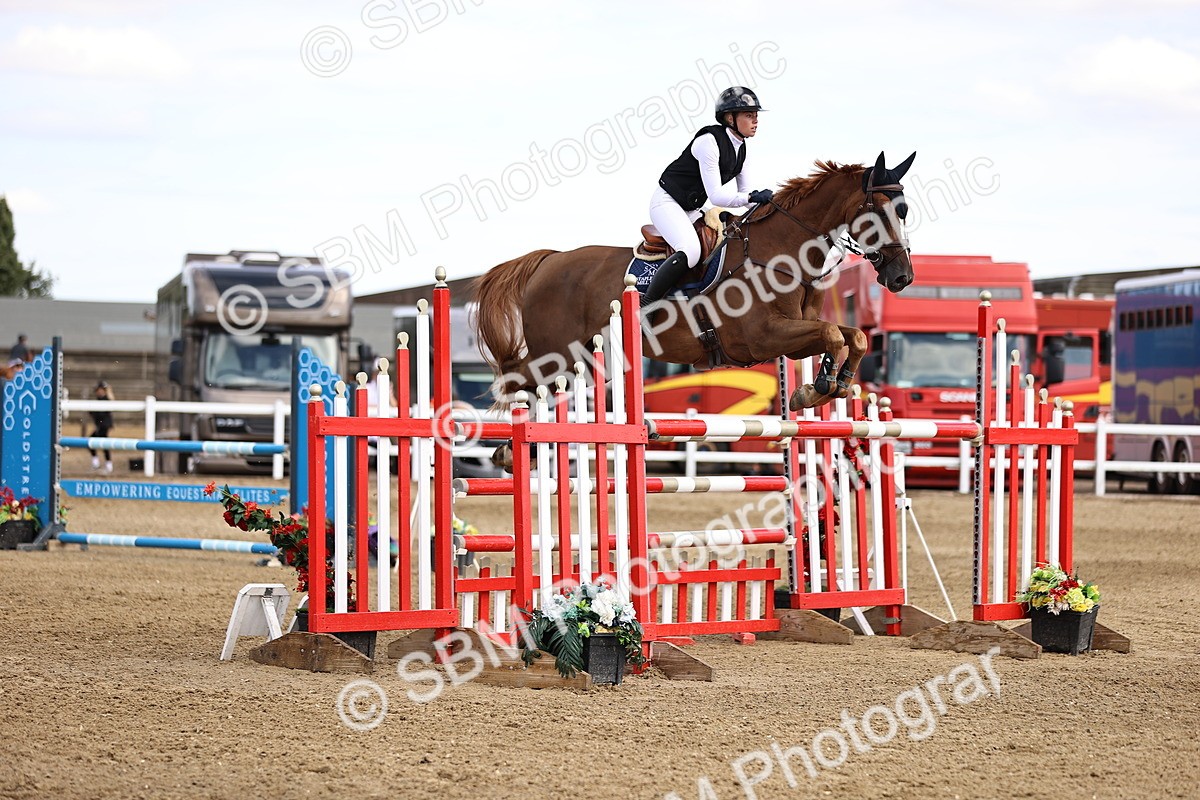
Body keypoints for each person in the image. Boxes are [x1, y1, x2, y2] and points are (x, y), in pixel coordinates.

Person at [643, 86, 776, 306]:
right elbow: (717, 196)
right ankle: (646, 305)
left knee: (723, 243)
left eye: (755, 115)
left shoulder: (742, 149)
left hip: (691, 209)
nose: (755, 120)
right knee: (691, 251)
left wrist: (771, 206)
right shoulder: (709, 141)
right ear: (730, 118)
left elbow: (745, 194)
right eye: (749, 115)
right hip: (666, 203)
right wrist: (752, 198)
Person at [88, 381, 115, 474]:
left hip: (104, 425)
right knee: (97, 442)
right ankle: (102, 464)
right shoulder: (99, 400)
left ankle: (105, 464)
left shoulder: (106, 400)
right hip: (100, 426)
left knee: (102, 443)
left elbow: (103, 413)